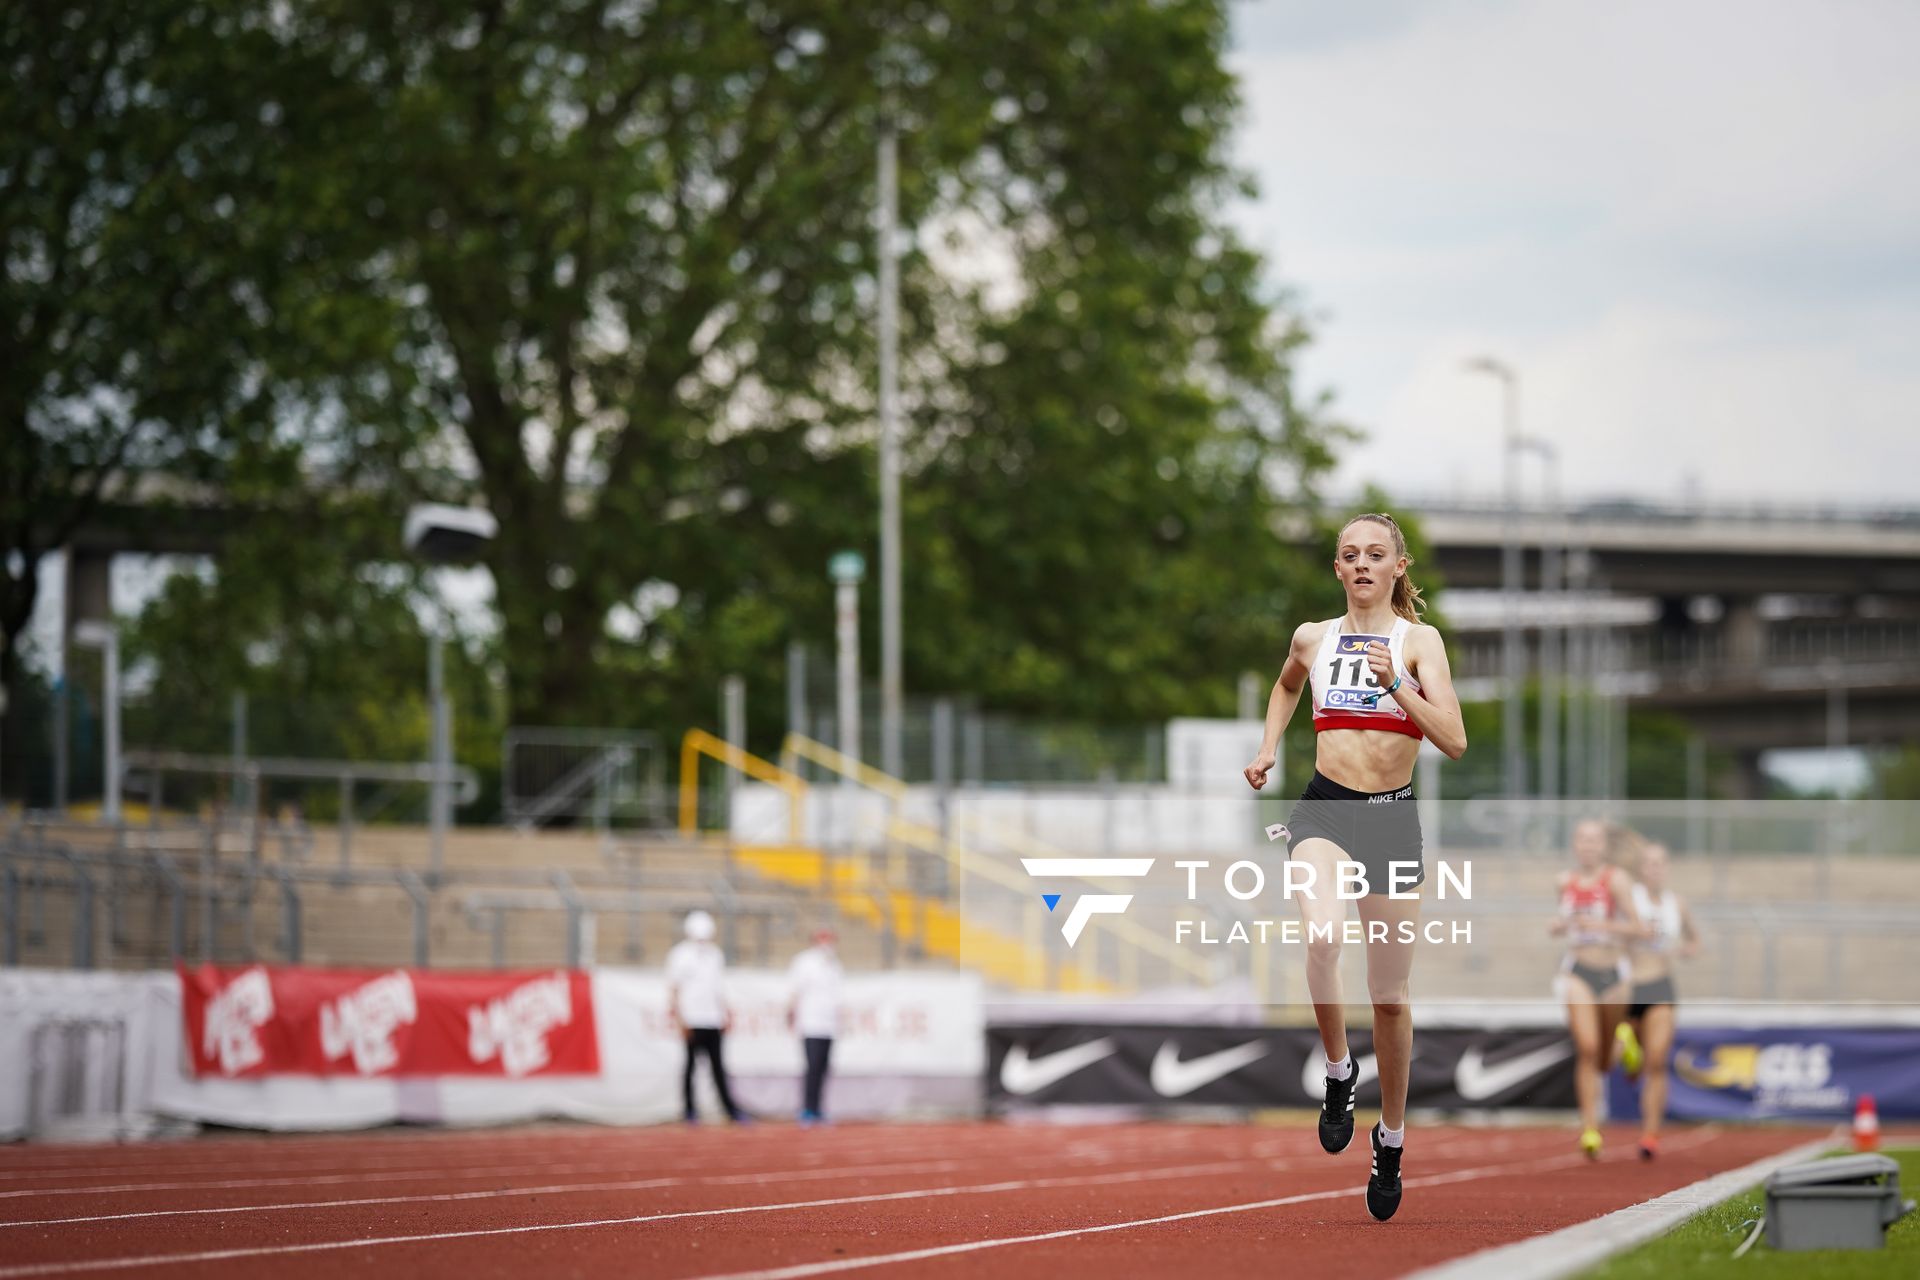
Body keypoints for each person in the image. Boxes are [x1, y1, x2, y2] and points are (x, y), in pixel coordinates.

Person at [1243, 511, 1467, 1222]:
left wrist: (1399, 685)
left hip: (1392, 821)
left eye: (1376, 553)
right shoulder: (1313, 638)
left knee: (1391, 999)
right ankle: (1339, 1070)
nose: (1363, 563)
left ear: (1399, 567)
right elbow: (1284, 685)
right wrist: (1269, 745)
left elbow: (1455, 740)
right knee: (1320, 936)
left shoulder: (1419, 642)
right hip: (1324, 811)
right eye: (1350, 555)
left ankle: (1391, 1137)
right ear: (1338, 570)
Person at [1551, 819, 1643, 1160]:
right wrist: (1559, 925)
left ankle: (1623, 1042)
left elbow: (1638, 928)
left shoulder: (1616, 880)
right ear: (1575, 845)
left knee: (1604, 1061)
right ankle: (1590, 1128)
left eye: (1593, 840)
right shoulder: (1564, 881)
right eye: (1581, 839)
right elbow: (1562, 921)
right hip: (1577, 971)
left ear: (1603, 846)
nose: (1587, 846)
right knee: (1587, 1048)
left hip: (1613, 974)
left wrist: (1600, 924)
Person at [1620, 841, 1698, 1161]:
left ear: (1666, 868)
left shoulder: (1676, 904)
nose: (1654, 868)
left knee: (1657, 1062)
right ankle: (1631, 1051)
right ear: (1640, 869)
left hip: (1661, 986)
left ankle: (1650, 1134)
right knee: (1619, 1054)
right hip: (1629, 986)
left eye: (1660, 863)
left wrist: (1683, 950)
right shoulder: (1628, 900)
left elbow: (1695, 941)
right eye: (1649, 863)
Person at [666, 909, 746, 1124]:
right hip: (692, 1019)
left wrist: (725, 1012)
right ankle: (689, 1110)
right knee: (690, 1066)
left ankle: (729, 1110)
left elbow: (719, 988)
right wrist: (681, 1020)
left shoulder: (715, 955)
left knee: (718, 1067)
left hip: (713, 1018)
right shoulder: (680, 955)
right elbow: (674, 989)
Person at [786, 926, 844, 1126]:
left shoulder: (835, 965)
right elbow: (795, 990)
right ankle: (807, 1109)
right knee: (812, 1067)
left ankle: (818, 1108)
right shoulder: (804, 962)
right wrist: (791, 1012)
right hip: (810, 1023)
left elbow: (837, 997)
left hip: (829, 1025)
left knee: (823, 1068)